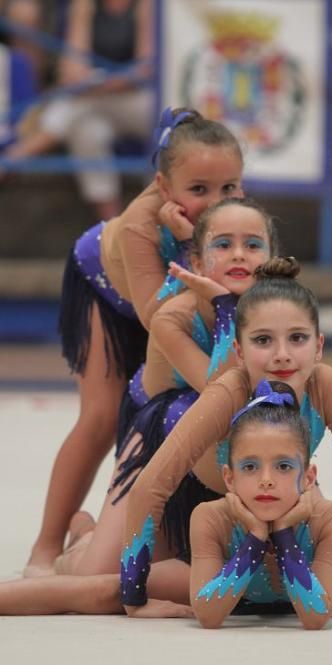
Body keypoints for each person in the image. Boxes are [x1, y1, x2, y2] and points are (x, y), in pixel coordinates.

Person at [120, 256, 332, 618]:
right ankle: (82, 540)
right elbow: (151, 486)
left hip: (294, 533)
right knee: (94, 586)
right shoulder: (228, 392)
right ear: (239, 351)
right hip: (223, 534)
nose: (282, 355)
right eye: (263, 340)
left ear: (319, 345)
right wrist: (134, 598)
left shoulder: (325, 386)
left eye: (297, 338)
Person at [25, 106, 244, 577]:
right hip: (108, 288)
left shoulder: (235, 217)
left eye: (229, 188)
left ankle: (100, 533)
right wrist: (191, 247)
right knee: (102, 416)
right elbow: (157, 319)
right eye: (199, 190)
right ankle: (45, 545)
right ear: (166, 189)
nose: (216, 201)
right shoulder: (140, 225)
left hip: (174, 301)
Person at [48, 196, 276, 578]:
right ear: (198, 263)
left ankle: (101, 533)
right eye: (224, 245)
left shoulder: (282, 312)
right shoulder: (175, 315)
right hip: (156, 439)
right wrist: (223, 307)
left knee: (201, 569)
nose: (239, 255)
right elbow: (221, 391)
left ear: (271, 258)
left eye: (253, 245)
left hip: (225, 446)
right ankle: (85, 538)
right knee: (100, 577)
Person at [190, 382, 332, 630]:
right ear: (229, 478)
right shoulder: (211, 517)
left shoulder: (329, 518)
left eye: (283, 466)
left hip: (317, 582)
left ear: (308, 478)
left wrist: (283, 531)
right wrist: (255, 536)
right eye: (250, 467)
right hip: (231, 592)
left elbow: (316, 617)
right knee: (112, 592)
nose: (266, 480)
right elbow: (208, 617)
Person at [1, 0, 154, 220]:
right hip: (92, 102)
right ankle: (112, 229)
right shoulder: (84, 5)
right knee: (86, 131)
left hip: (138, 100)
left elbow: (145, 69)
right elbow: (71, 70)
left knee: (74, 107)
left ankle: (13, 158)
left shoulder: (147, 5)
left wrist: (98, 84)